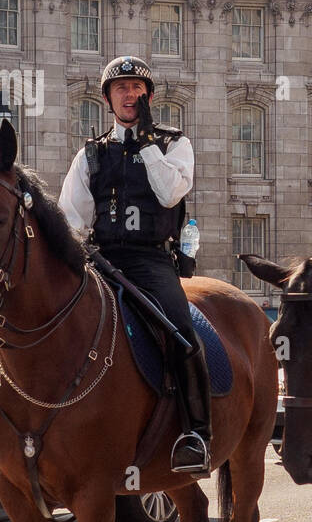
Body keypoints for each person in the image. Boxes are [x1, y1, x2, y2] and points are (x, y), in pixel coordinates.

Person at [58, 55, 211, 473]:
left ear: (148, 96)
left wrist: (144, 143)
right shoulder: (90, 154)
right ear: (108, 98)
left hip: (151, 261)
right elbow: (70, 217)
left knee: (181, 330)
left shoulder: (174, 144)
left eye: (136, 87)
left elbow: (168, 194)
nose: (129, 93)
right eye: (120, 87)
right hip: (102, 260)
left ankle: (197, 433)